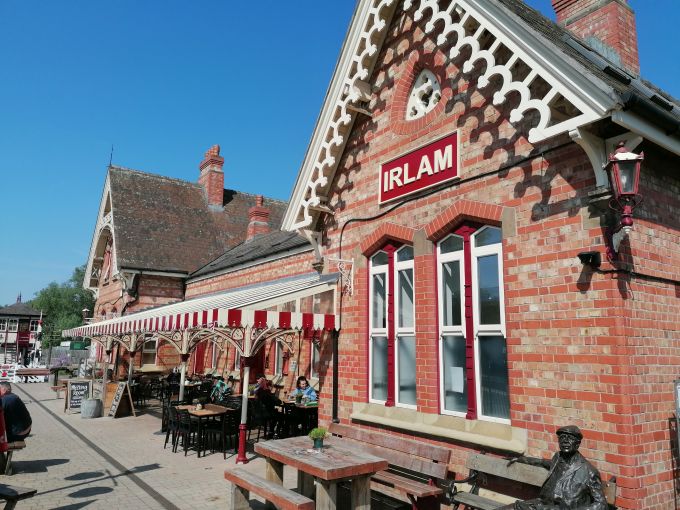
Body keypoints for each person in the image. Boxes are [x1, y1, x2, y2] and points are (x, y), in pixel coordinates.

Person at [505, 425, 607, 510]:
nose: (565, 441)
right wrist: (521, 459)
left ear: (577, 443)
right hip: (541, 505)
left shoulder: (589, 471)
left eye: (570, 438)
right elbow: (542, 462)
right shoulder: (558, 458)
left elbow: (601, 505)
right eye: (562, 437)